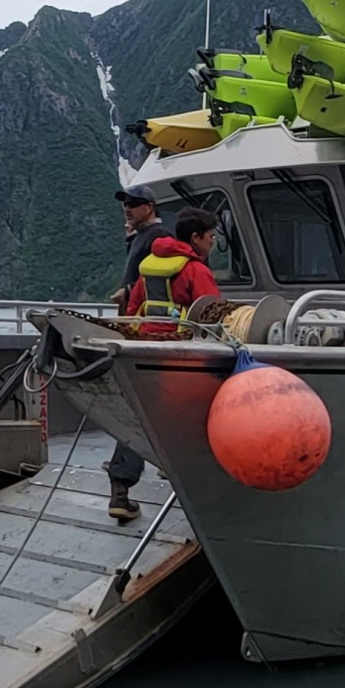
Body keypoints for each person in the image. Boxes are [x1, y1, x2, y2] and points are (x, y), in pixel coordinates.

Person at [106, 185, 173, 522]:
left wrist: (128, 292)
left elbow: (157, 281)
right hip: (142, 331)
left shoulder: (158, 237)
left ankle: (122, 485)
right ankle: (130, 481)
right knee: (150, 405)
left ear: (149, 206)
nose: (127, 209)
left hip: (146, 332)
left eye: (133, 204)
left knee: (138, 407)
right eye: (124, 205)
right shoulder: (142, 237)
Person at [124, 206, 222, 336]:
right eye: (211, 236)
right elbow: (212, 313)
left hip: (146, 338)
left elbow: (133, 307)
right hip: (179, 343)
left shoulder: (151, 265)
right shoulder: (197, 271)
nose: (212, 242)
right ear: (195, 238)